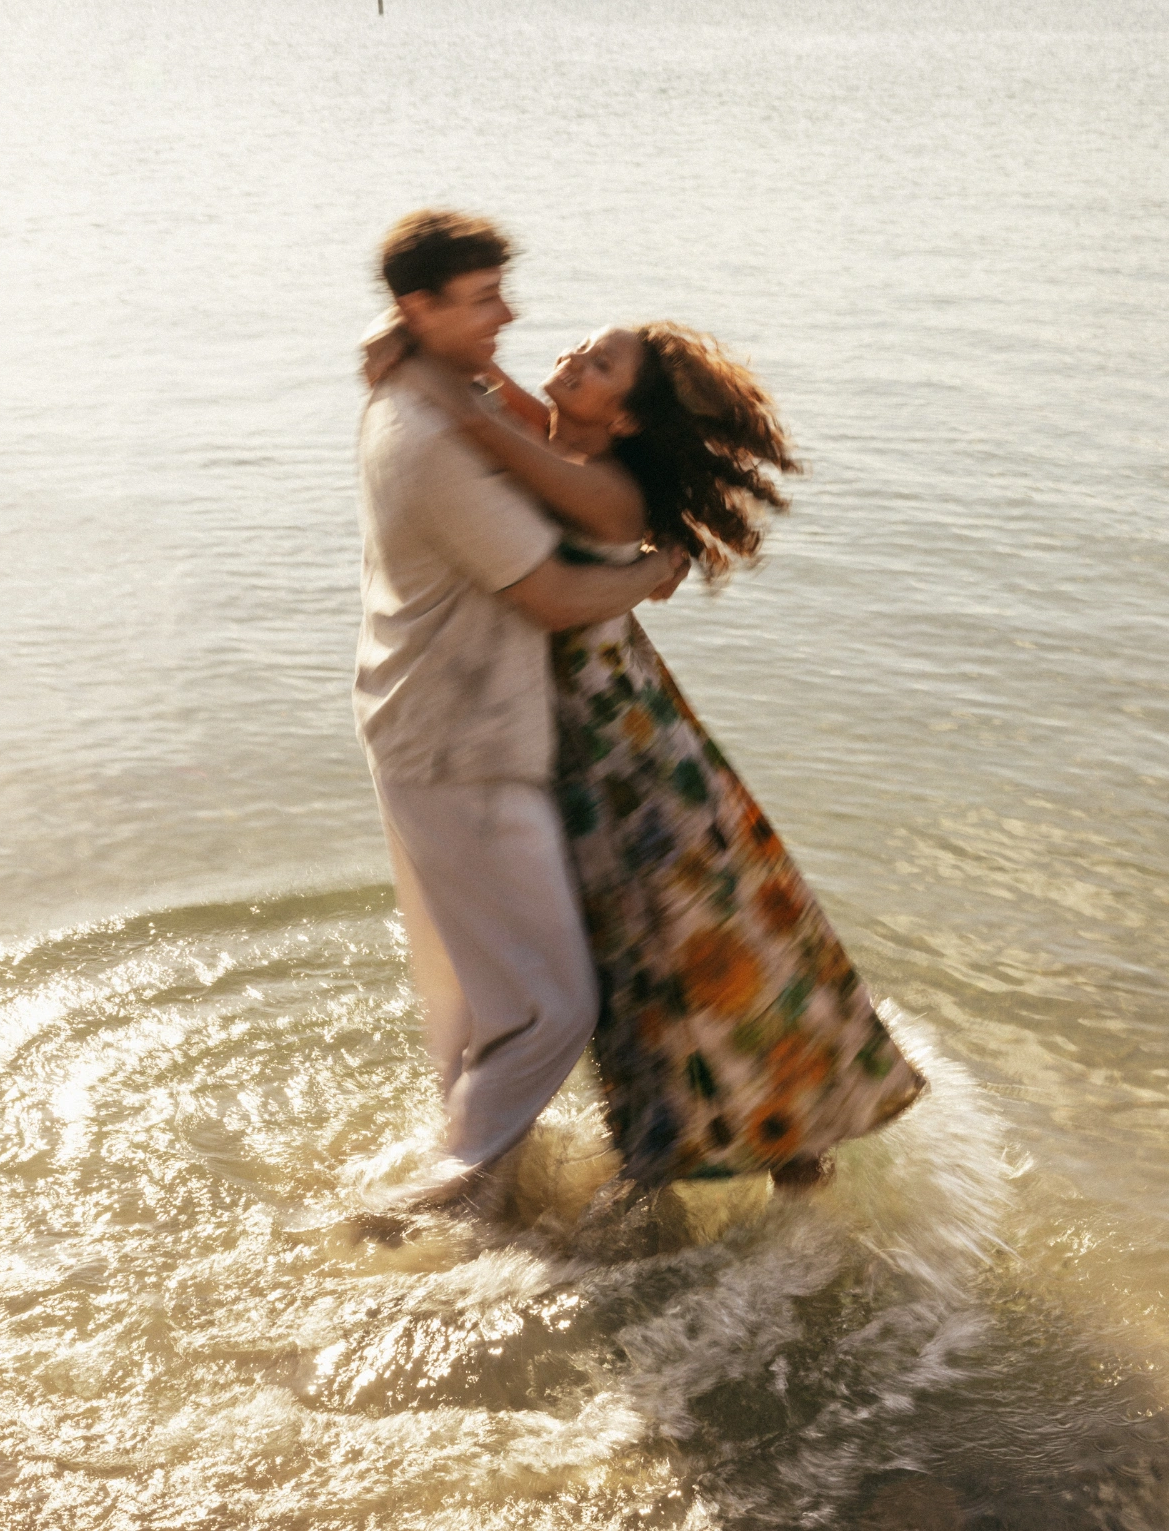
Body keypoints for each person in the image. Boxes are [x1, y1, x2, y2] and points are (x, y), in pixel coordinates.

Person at [449, 323, 926, 1190]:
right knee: (660, 954)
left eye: (598, 367)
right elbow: (509, 410)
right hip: (605, 741)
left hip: (621, 757)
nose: (568, 361)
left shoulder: (604, 492)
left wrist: (426, 361)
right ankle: (736, 1153)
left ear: (626, 420)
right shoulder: (569, 444)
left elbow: (484, 427)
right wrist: (465, 361)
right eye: (580, 351)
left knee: (669, 954)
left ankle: (747, 1156)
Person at [354, 212, 688, 1207]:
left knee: (480, 1006)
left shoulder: (428, 382)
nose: (512, 316)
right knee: (552, 1008)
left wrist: (404, 344)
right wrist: (653, 572)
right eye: (484, 297)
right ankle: (435, 1200)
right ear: (421, 306)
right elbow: (542, 594)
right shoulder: (431, 432)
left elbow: (537, 453)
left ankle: (483, 1207)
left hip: (425, 727)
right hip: (464, 748)